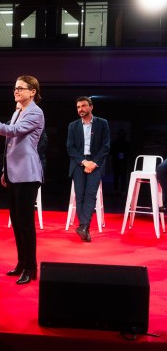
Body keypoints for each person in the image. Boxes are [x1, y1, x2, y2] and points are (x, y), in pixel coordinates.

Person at [0, 75, 44, 285]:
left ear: (32, 91)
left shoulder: (35, 112)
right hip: (15, 173)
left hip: (27, 174)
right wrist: (5, 170)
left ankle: (31, 267)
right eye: (15, 88)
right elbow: (10, 144)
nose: (16, 91)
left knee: (25, 224)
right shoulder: (17, 112)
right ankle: (21, 263)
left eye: (21, 88)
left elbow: (13, 132)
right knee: (16, 222)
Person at [66, 96, 110, 243]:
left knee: (91, 195)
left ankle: (83, 227)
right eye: (78, 107)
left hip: (96, 163)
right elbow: (70, 148)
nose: (81, 110)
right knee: (80, 195)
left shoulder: (102, 123)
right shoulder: (73, 126)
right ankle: (84, 227)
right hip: (79, 162)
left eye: (83, 106)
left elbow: (105, 147)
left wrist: (93, 163)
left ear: (91, 107)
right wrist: (85, 162)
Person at [110, 129, 130, 193]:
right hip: (116, 161)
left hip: (123, 162)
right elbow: (111, 152)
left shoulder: (126, 144)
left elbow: (129, 152)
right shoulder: (114, 143)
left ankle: (122, 190)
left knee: (123, 177)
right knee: (116, 176)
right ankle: (117, 190)